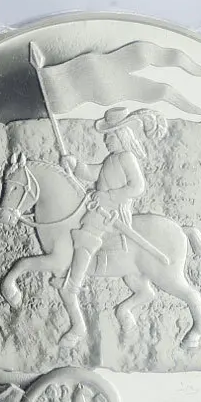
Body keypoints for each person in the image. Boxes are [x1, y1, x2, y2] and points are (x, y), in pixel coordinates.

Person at [59, 106, 166, 295]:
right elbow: (92, 172)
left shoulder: (127, 158)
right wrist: (74, 164)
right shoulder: (111, 159)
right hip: (100, 208)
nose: (106, 140)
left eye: (109, 136)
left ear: (121, 136)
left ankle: (74, 284)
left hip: (113, 211)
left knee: (87, 234)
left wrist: (108, 196)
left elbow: (138, 187)